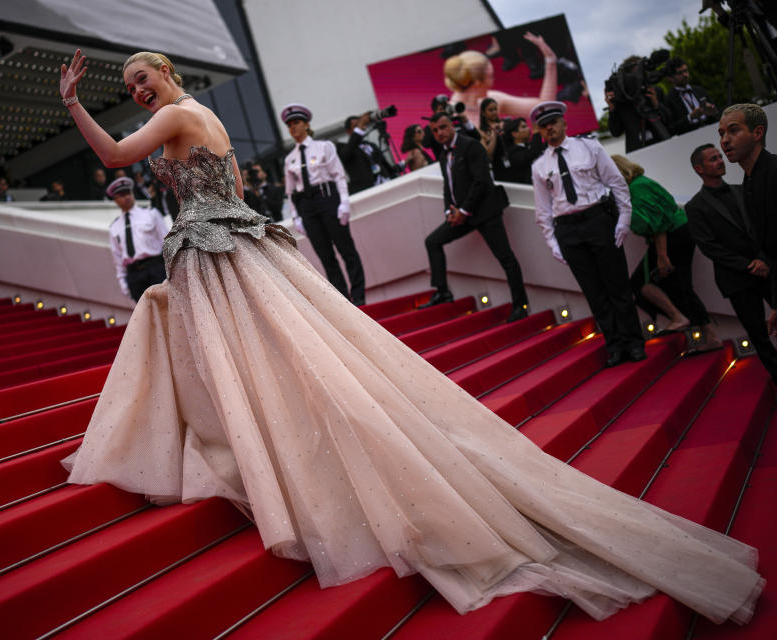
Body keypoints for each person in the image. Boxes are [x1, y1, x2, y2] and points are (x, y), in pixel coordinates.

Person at [57, 48, 763, 627]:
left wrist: (74, 106)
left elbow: (119, 156)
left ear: (165, 74)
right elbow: (235, 185)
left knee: (246, 359)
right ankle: (228, 446)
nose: (135, 90)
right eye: (127, 86)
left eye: (139, 79)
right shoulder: (202, 113)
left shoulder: (178, 113)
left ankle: (233, 452)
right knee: (264, 354)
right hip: (239, 242)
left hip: (218, 254)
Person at [530, 101, 645, 367]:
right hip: (568, 230)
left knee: (618, 287)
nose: (550, 129)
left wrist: (623, 220)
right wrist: (552, 242)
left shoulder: (589, 147)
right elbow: (543, 210)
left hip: (597, 221)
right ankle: (614, 346)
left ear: (564, 124)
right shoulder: (539, 166)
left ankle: (634, 343)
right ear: (541, 132)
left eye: (554, 123)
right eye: (544, 126)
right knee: (594, 293)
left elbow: (616, 183)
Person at [419, 112, 528, 320]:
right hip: (461, 216)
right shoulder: (443, 156)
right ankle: (442, 291)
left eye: (443, 127)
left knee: (506, 258)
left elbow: (481, 181)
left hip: (486, 212)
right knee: (432, 241)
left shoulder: (471, 145)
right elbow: (447, 187)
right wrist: (448, 211)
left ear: (451, 126)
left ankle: (520, 306)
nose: (439, 133)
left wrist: (464, 211)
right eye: (435, 131)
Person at [686, 143, 777, 383]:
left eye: (719, 156)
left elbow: (766, 226)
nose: (720, 161)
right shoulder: (695, 207)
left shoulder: (743, 190)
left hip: (768, 269)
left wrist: (763, 259)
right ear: (699, 168)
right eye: (713, 159)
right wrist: (750, 265)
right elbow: (709, 247)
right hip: (737, 279)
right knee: (759, 335)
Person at [611, 154, 721, 350]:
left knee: (643, 283)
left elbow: (658, 222)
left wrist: (662, 256)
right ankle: (707, 334)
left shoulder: (637, 188)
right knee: (679, 285)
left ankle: (680, 319)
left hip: (672, 236)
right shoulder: (639, 184)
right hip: (679, 233)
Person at [281, 103, 366, 305]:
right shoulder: (290, 159)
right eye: (289, 124)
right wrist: (296, 216)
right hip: (307, 206)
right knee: (325, 255)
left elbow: (339, 175)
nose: (293, 127)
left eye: (297, 122)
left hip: (327, 198)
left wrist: (344, 202)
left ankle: (360, 297)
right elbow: (291, 191)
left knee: (346, 249)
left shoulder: (324, 147)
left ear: (307, 124)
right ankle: (344, 300)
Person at [717, 104, 777, 336]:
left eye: (733, 131)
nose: (725, 140)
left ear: (757, 133)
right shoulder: (749, 183)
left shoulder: (773, 171)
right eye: (721, 134)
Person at [444, 32, 558, 126]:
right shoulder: (451, 120)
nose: (494, 80)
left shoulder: (492, 100)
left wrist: (550, 61)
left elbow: (543, 108)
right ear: (478, 83)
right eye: (491, 76)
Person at [106, 175, 168, 303]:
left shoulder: (151, 214)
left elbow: (167, 243)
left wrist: (171, 272)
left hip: (156, 268)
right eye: (121, 195)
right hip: (134, 275)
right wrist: (124, 284)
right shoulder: (114, 227)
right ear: (115, 199)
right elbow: (117, 258)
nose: (127, 197)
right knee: (146, 319)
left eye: (128, 192)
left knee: (166, 309)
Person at [605, 56, 672, 153]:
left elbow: (669, 121)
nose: (642, 76)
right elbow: (615, 132)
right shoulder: (621, 100)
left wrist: (656, 105)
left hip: (663, 144)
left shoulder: (655, 91)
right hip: (638, 152)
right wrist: (612, 109)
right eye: (638, 73)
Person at [338, 112, 397, 194]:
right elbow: (347, 153)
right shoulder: (342, 147)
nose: (362, 127)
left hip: (386, 183)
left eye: (362, 125)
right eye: (356, 126)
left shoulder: (372, 145)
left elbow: (386, 166)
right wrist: (360, 125)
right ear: (348, 131)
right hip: (367, 190)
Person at [662, 58, 718, 136]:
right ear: (670, 78)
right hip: (689, 138)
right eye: (680, 73)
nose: (685, 75)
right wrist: (690, 117)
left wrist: (713, 112)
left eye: (685, 71)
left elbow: (717, 114)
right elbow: (670, 129)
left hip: (711, 132)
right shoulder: (668, 99)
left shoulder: (699, 90)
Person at [493, 117, 542, 184]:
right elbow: (533, 153)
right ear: (514, 134)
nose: (528, 128)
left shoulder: (529, 146)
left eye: (527, 126)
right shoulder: (512, 153)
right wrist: (536, 133)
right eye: (524, 127)